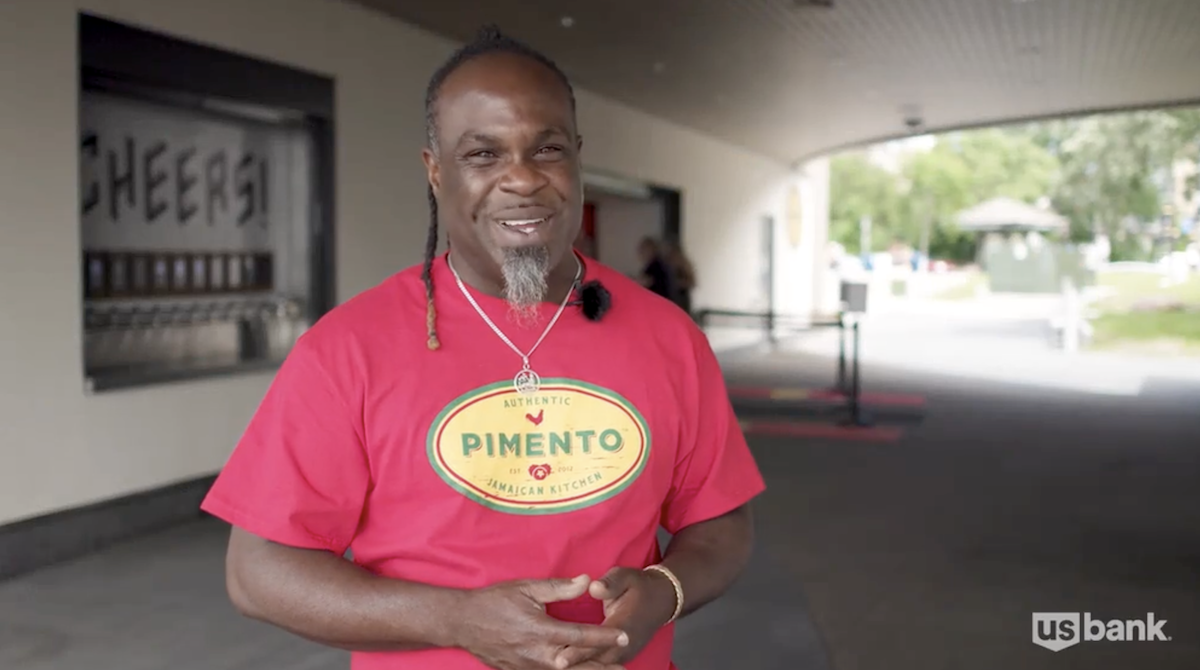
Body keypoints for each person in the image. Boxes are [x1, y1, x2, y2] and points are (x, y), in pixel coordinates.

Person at [200, 25, 765, 670]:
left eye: (546, 149)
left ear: (577, 158)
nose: (521, 179)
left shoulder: (669, 338)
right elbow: (257, 571)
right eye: (483, 155)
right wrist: (457, 619)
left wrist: (663, 592)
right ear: (436, 171)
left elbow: (721, 522)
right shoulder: (348, 350)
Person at [636, 237, 675, 301]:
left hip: (658, 301)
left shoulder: (655, 266)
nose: (641, 253)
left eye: (643, 250)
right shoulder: (660, 264)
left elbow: (644, 282)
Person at [663, 242, 696, 315]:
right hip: (671, 297)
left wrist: (679, 283)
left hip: (681, 297)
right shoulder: (667, 264)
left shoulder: (684, 265)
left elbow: (692, 282)